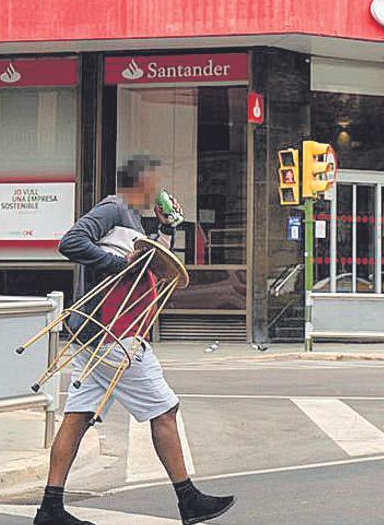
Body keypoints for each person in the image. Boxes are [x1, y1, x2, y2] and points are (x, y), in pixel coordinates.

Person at [34, 158, 234, 525]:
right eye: (153, 184)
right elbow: (72, 241)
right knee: (165, 410)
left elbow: (156, 266)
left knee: (77, 418)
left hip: (98, 336)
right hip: (117, 334)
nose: (157, 191)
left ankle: (50, 507)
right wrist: (115, 263)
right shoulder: (114, 207)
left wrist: (166, 227)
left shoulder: (135, 221)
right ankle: (188, 499)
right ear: (137, 184)